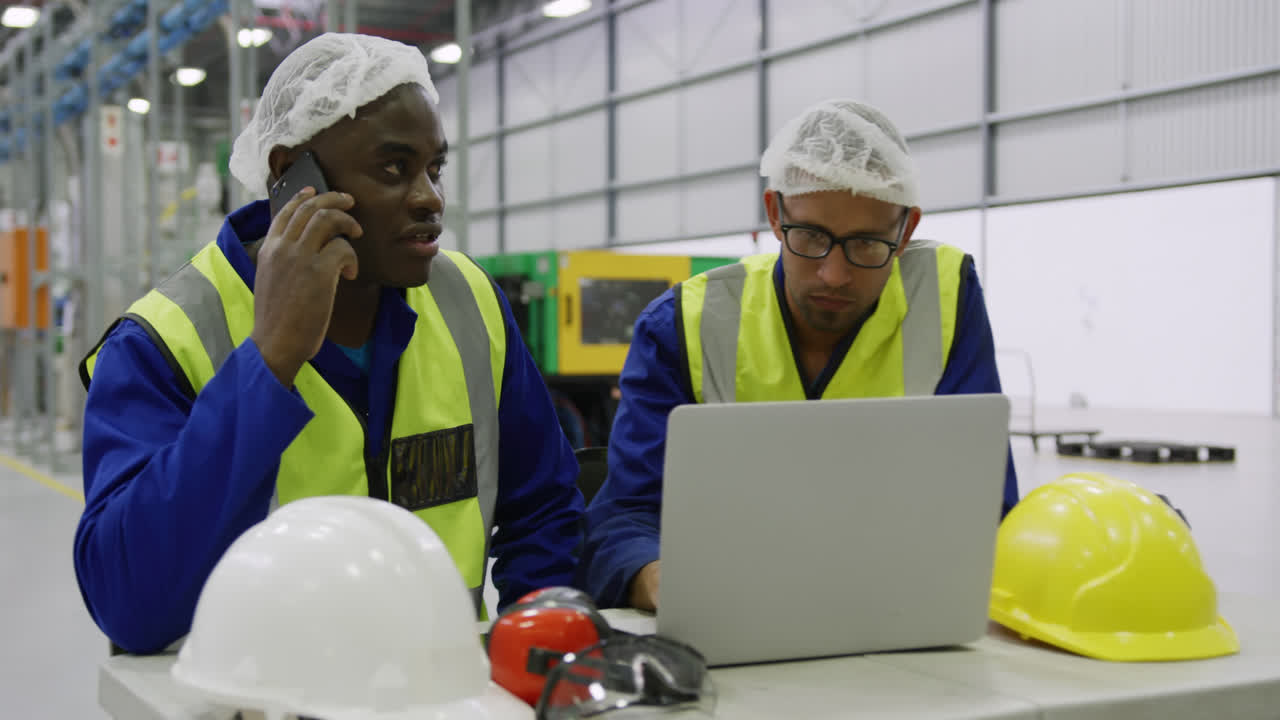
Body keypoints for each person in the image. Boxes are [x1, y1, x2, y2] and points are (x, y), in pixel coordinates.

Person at [74, 33, 585, 654]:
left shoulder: (470, 301)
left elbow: (545, 510)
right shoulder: (163, 340)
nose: (429, 197)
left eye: (434, 168)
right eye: (394, 168)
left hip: (446, 689)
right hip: (258, 695)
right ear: (292, 175)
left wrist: (530, 656)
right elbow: (128, 602)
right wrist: (268, 361)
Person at [579, 99, 1020, 610]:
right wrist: (663, 581)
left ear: (906, 230)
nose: (834, 274)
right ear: (775, 213)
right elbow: (624, 516)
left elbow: (984, 502)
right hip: (734, 614)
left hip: (899, 610)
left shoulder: (944, 298)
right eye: (811, 236)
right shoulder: (683, 325)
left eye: (867, 244)